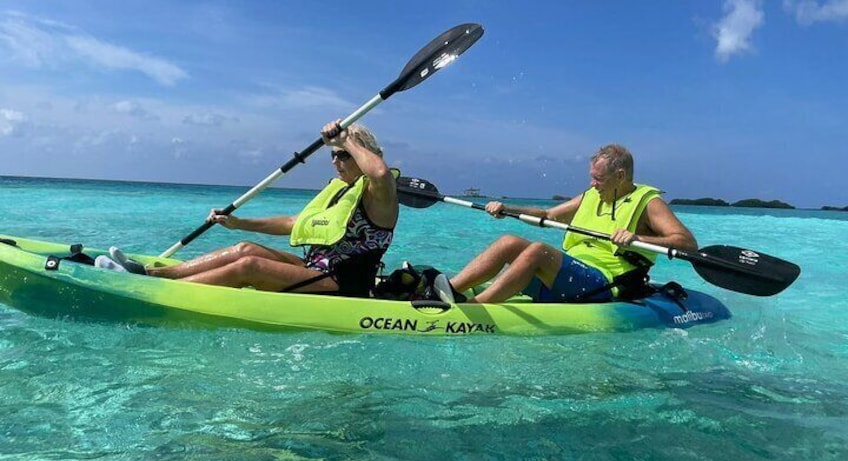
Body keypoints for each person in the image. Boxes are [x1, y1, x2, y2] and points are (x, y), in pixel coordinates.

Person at [105, 120, 398, 297]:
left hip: (344, 283)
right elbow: (295, 223)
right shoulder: (342, 191)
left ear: (363, 155)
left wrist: (347, 138)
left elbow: (381, 173)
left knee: (250, 267)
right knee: (245, 249)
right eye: (333, 155)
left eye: (343, 156)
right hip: (316, 269)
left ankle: (154, 290)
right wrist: (239, 222)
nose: (336, 161)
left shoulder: (379, 195)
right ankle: (149, 274)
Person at [435, 144, 697, 304]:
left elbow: (687, 243)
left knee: (539, 250)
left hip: (604, 283)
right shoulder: (591, 195)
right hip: (573, 274)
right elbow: (548, 216)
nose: (593, 184)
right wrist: (507, 209)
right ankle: (451, 290)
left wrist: (638, 239)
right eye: (592, 178)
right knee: (509, 242)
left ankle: (477, 308)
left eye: (599, 179)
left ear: (620, 175)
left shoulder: (649, 203)